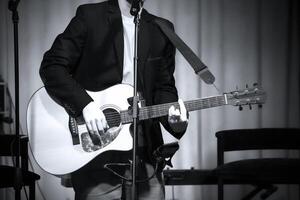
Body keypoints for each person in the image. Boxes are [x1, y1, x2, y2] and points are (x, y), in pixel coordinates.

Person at [40, 0, 188, 199]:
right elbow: (52, 67)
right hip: (97, 152)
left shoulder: (162, 28)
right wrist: (85, 105)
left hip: (146, 154)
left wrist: (175, 122)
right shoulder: (90, 16)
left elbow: (164, 87)